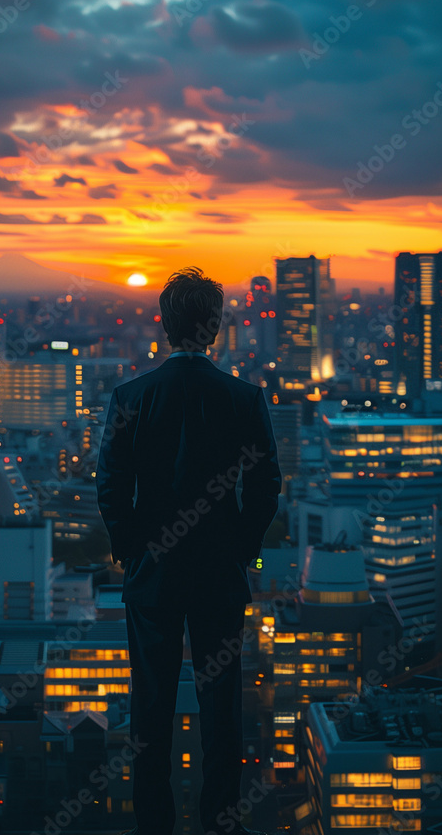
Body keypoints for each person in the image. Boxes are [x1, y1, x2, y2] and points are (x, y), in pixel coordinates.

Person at [97, 266, 282, 835]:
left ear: (164, 323)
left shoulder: (131, 395)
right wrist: (243, 553)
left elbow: (110, 483)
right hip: (218, 575)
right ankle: (221, 822)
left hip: (153, 574)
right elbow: (266, 487)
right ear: (215, 328)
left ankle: (153, 823)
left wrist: (132, 552)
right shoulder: (244, 399)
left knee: (149, 704)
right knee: (221, 704)